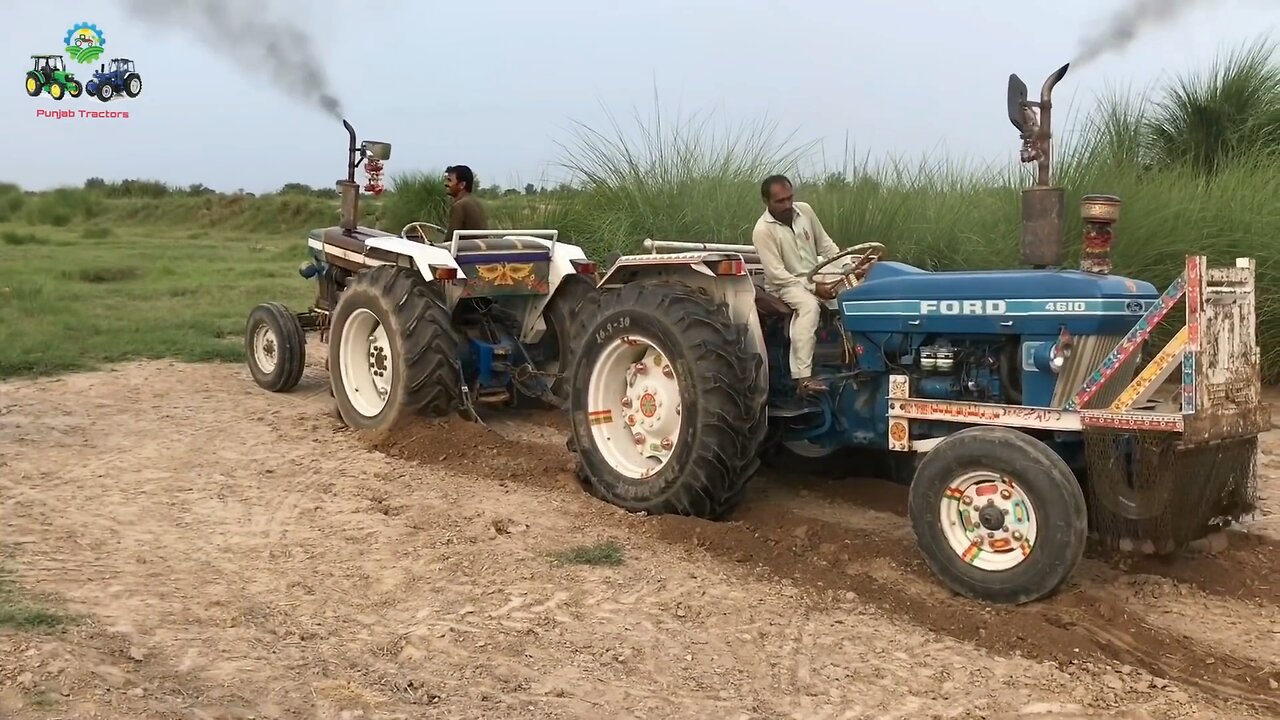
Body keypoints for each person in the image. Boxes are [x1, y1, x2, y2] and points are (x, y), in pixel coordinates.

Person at [751, 174, 851, 396]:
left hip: (813, 273)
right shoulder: (763, 230)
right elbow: (777, 274)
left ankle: (853, 355)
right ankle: (803, 378)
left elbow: (826, 247)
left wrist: (848, 266)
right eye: (780, 201)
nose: (787, 205)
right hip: (785, 284)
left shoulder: (804, 211)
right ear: (766, 202)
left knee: (853, 292)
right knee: (809, 307)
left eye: (789, 198)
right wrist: (815, 288)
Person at [442, 164, 488, 242]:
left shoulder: (459, 205)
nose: (445, 183)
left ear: (462, 185)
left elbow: (449, 241)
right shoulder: (476, 202)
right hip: (478, 250)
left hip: (467, 252)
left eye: (449, 180)